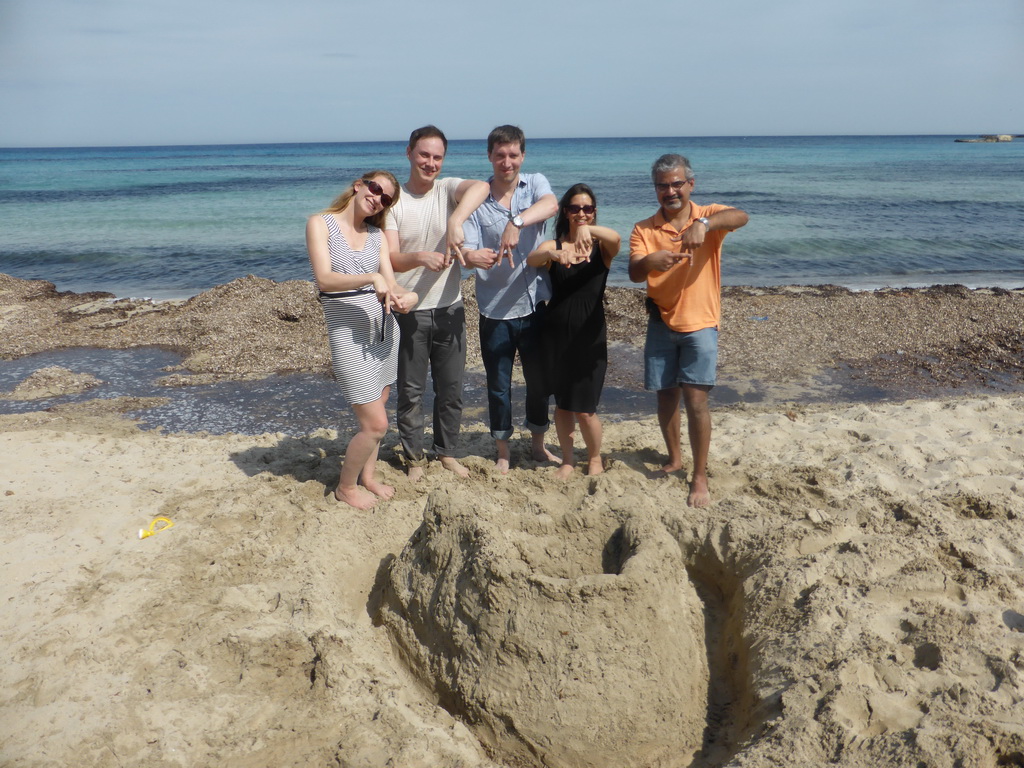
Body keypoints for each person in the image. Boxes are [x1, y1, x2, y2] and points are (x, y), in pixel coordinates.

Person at [628, 154, 749, 507]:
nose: (670, 191)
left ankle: (699, 476)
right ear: (655, 190)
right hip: (660, 321)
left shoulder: (706, 214)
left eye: (677, 183)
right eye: (663, 185)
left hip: (701, 324)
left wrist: (705, 225)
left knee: (696, 400)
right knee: (665, 395)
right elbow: (635, 271)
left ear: (690, 185)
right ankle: (674, 458)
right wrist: (652, 261)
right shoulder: (644, 228)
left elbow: (741, 216)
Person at [306, 170, 418, 510]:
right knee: (376, 424)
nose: (377, 198)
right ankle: (346, 487)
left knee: (377, 411)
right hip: (348, 338)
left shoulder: (378, 236)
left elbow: (391, 284)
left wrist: (407, 296)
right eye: (375, 189)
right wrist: (371, 278)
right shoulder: (320, 224)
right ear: (359, 185)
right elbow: (325, 280)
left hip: (384, 334)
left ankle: (368, 477)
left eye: (385, 199)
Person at [384, 126, 490, 483]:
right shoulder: (394, 201)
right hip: (408, 311)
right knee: (411, 392)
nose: (430, 163)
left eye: (437, 157)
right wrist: (421, 257)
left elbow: (483, 187)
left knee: (452, 389)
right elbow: (392, 259)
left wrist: (456, 219)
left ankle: (446, 453)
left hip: (450, 308)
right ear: (409, 152)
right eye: (424, 155)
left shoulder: (447, 190)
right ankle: (414, 459)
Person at [462, 125, 559, 474]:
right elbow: (470, 247)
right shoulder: (478, 197)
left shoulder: (534, 184)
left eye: (513, 155)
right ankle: (503, 450)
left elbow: (551, 205)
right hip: (494, 309)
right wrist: (475, 257)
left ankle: (537, 444)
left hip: (535, 305)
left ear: (523, 156)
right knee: (499, 385)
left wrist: (516, 221)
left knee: (538, 383)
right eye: (500, 155)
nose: (507, 162)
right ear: (490, 156)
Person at [527, 183, 620, 479]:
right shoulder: (554, 245)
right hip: (555, 335)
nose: (581, 213)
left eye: (587, 208)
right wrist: (552, 257)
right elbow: (532, 259)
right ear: (565, 211)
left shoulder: (602, 249)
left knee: (586, 408)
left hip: (590, 335)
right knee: (564, 405)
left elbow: (617, 238)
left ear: (594, 212)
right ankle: (568, 459)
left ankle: (594, 457)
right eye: (575, 208)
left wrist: (589, 231)